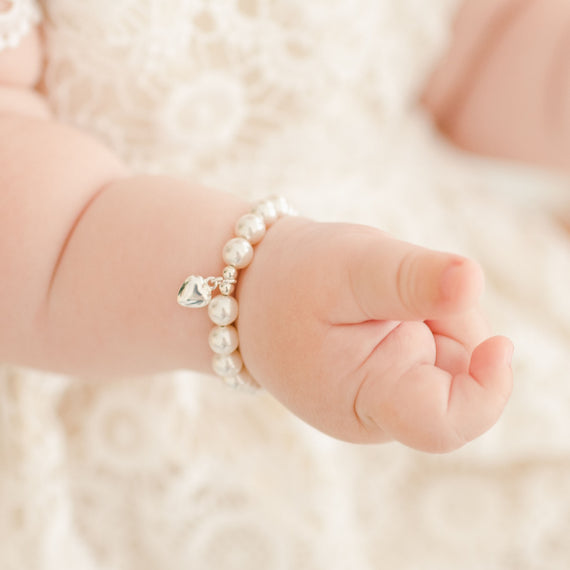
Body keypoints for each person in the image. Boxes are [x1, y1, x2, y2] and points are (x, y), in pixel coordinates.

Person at [0, 0, 568, 567]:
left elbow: (469, 46)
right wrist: (252, 292)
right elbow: (41, 229)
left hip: (417, 284)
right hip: (125, 313)